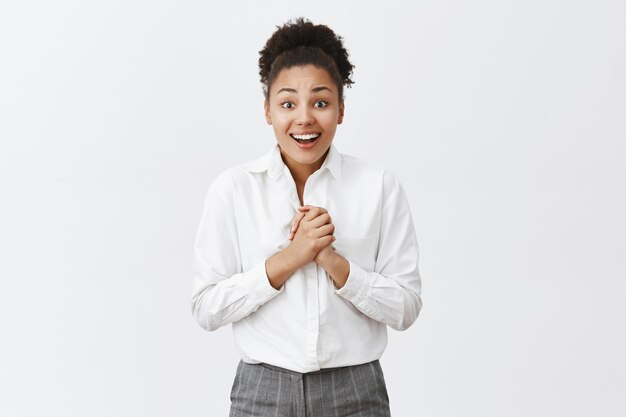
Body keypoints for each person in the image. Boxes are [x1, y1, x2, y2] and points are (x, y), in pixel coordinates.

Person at [191, 17, 422, 417]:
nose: (304, 118)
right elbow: (206, 308)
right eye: (287, 103)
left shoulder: (379, 187)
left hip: (356, 390)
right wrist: (290, 258)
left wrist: (335, 264)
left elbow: (405, 307)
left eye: (320, 102)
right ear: (267, 110)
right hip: (262, 390)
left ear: (341, 110)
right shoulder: (233, 190)